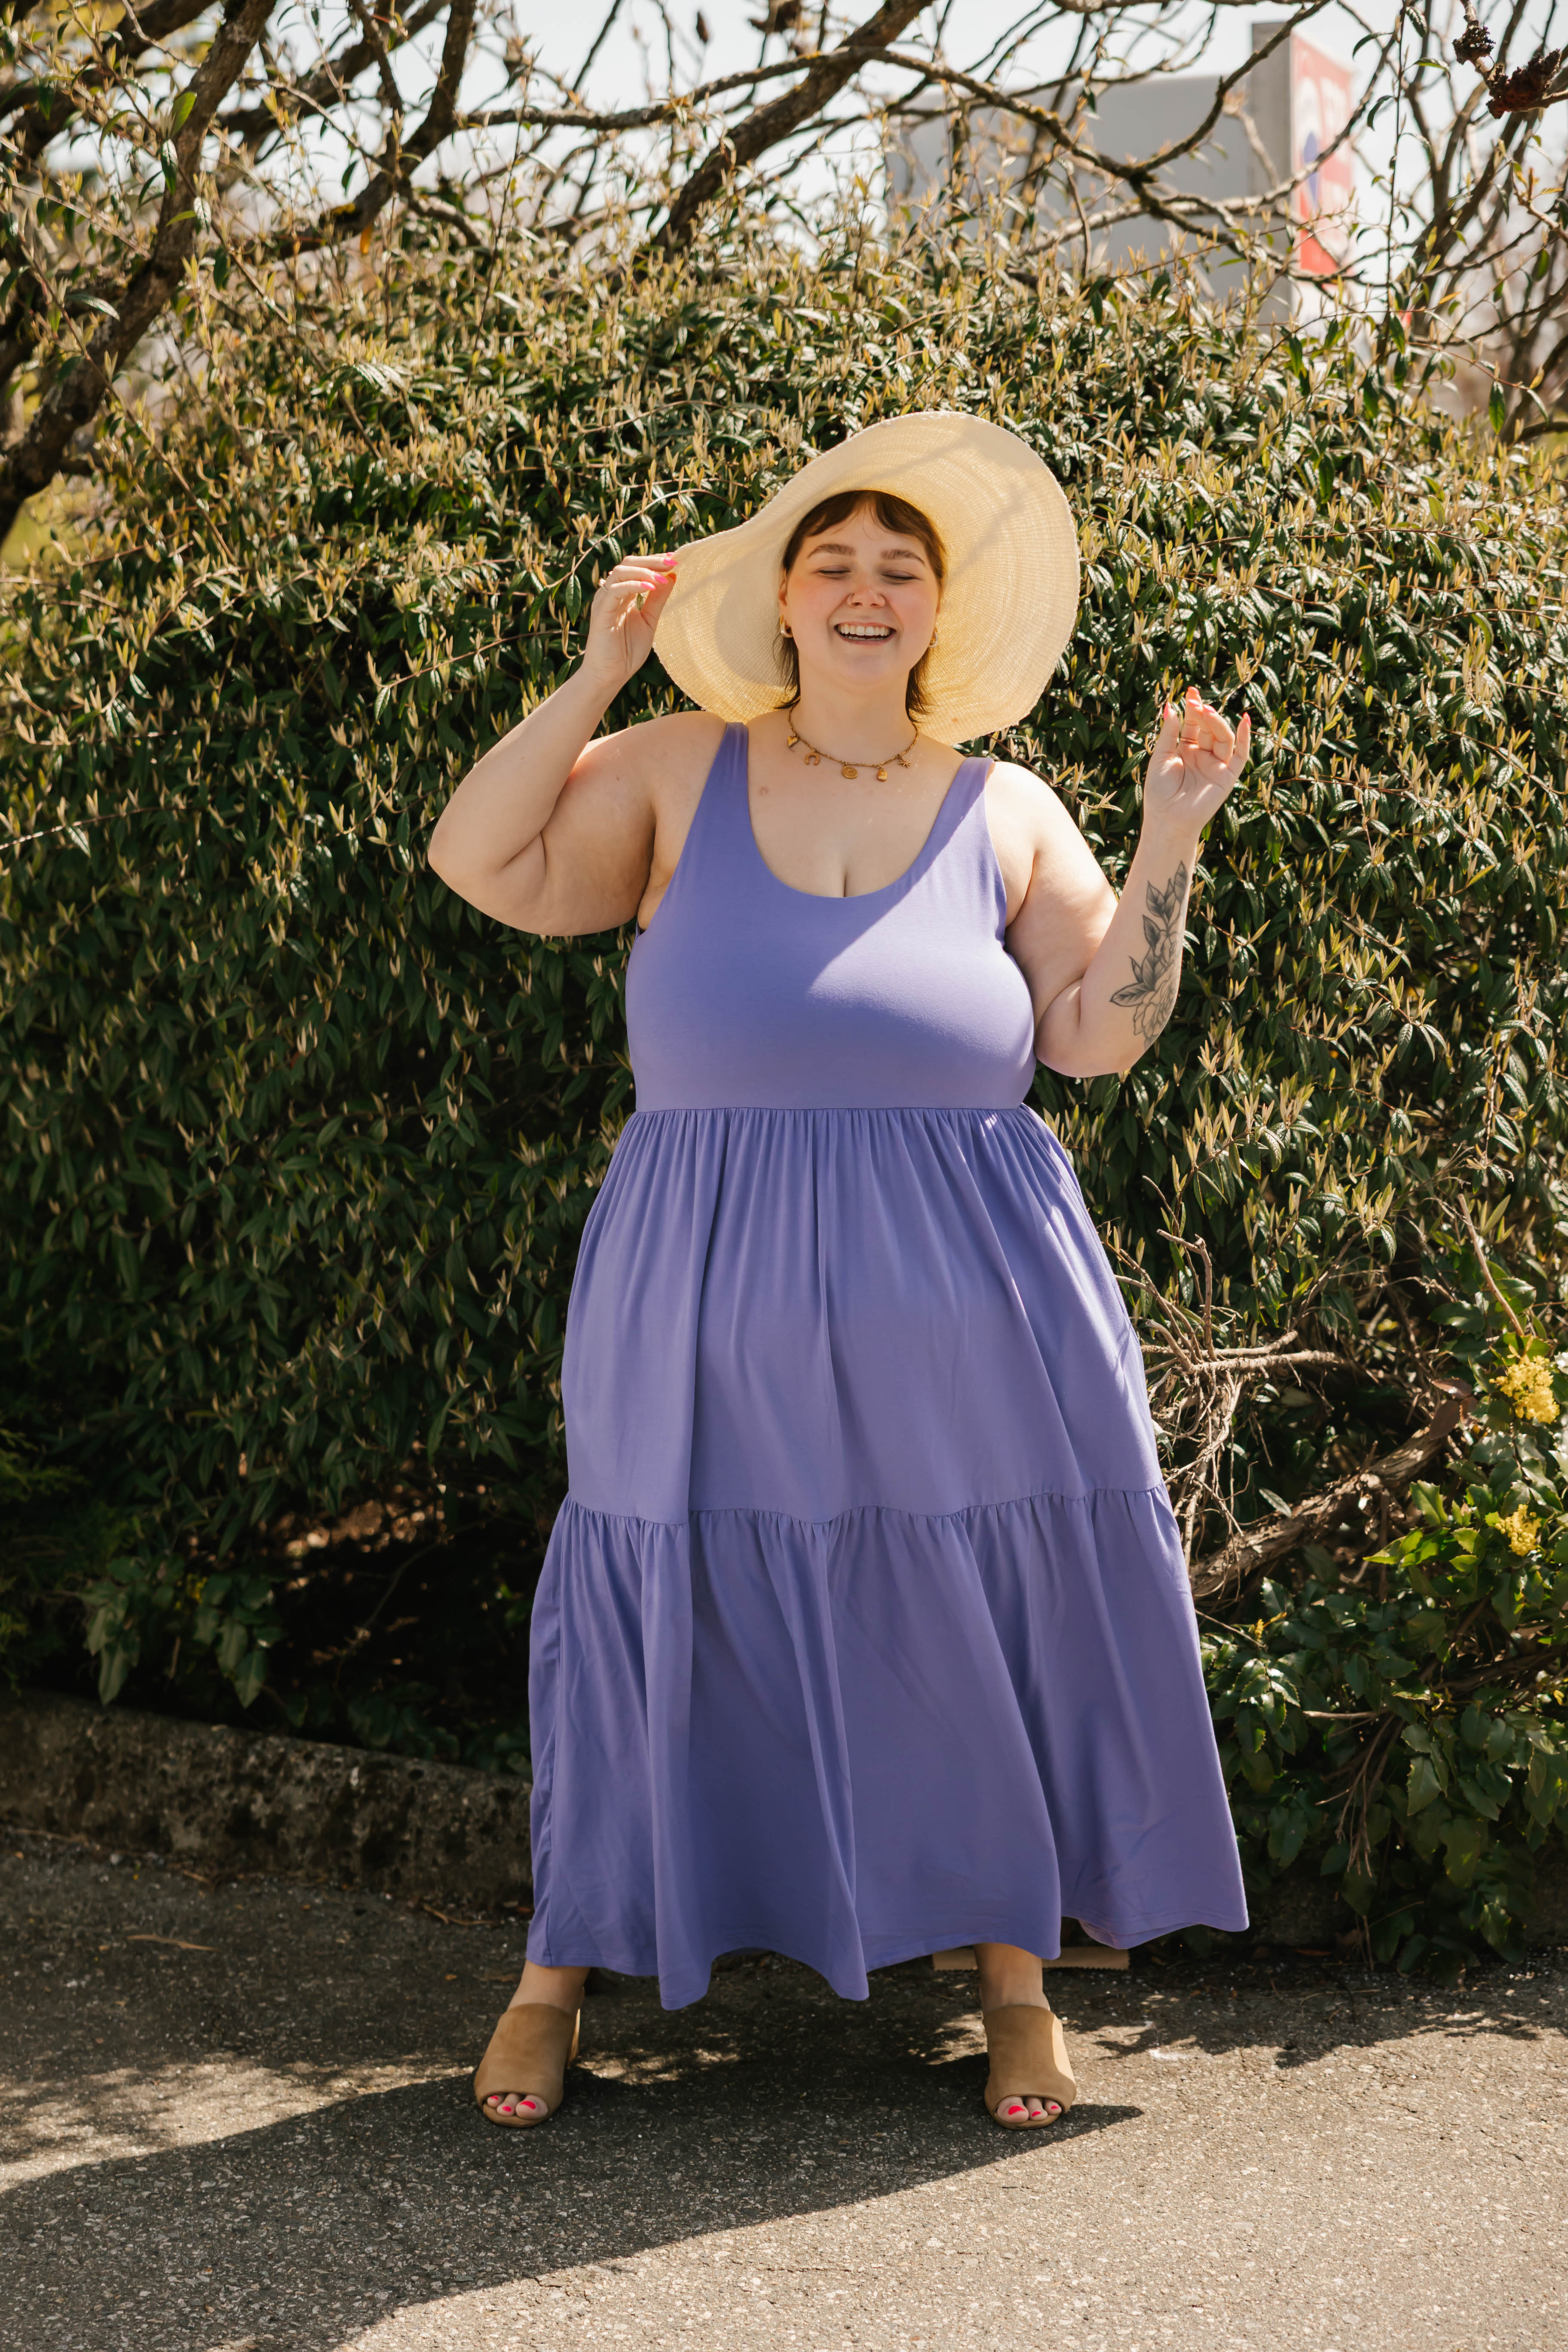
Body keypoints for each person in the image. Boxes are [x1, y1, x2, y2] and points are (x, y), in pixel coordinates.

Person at [428, 411, 1251, 2134]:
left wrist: (1170, 834)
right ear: (784, 599)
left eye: (901, 569)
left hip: (976, 1302)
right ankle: (554, 1974)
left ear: (940, 611)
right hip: (698, 1291)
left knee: (972, 1610)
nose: (868, 591)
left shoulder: (1007, 806)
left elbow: (1101, 1035)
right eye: (834, 564)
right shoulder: (672, 767)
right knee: (657, 1589)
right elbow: (478, 858)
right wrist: (597, 671)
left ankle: (1014, 1983)